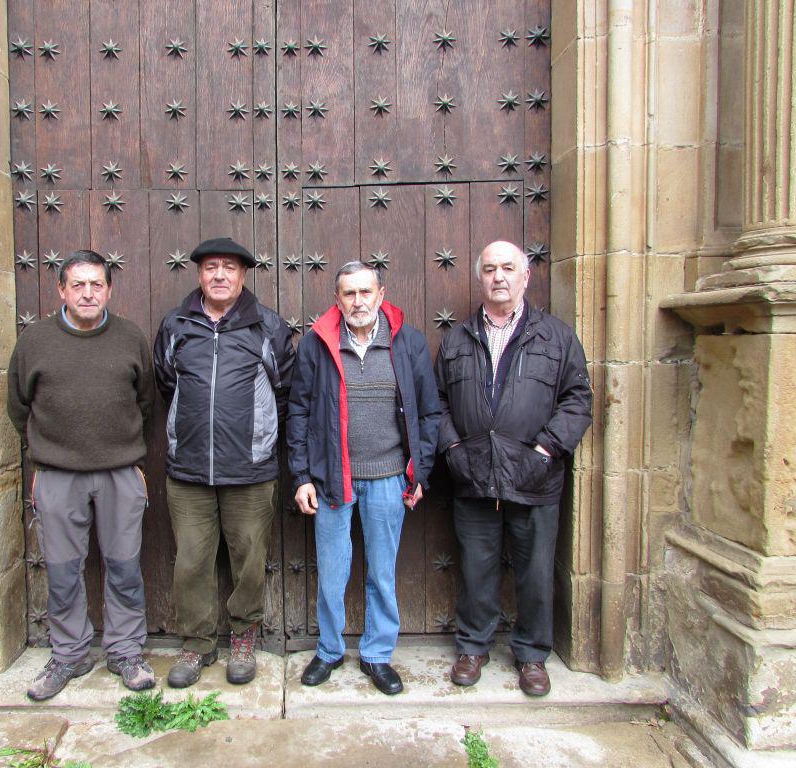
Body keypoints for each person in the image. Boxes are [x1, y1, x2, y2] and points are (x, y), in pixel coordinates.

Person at [434, 240, 592, 697]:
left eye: (508, 268)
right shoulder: (458, 339)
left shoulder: (556, 337)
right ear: (479, 278)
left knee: (536, 571)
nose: (498, 276)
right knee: (477, 568)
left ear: (526, 277)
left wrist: (547, 449)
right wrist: (454, 449)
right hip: (474, 476)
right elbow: (438, 403)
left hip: (535, 478)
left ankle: (531, 654)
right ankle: (473, 645)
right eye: (489, 269)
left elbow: (577, 399)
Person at [7, 249, 157, 700]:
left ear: (109, 289)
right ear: (61, 290)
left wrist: (121, 447)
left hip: (118, 472)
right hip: (57, 474)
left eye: (97, 285)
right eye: (78, 285)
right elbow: (18, 406)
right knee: (63, 570)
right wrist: (47, 453)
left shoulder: (130, 337)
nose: (88, 293)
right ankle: (69, 655)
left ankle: (126, 651)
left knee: (124, 566)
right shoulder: (34, 341)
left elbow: (145, 401)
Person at [288, 261, 441, 695]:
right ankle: (330, 650)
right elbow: (298, 412)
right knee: (333, 572)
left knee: (381, 570)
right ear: (337, 299)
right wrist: (301, 475)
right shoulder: (318, 345)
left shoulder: (407, 343)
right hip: (334, 478)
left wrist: (420, 471)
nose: (358, 301)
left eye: (365, 292)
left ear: (381, 294)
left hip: (390, 477)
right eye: (349, 294)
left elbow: (429, 413)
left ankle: (377, 655)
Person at [153, 237, 294, 688]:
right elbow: (166, 384)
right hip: (189, 471)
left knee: (249, 559)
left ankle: (243, 637)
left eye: (228, 268)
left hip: (250, 470)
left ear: (243, 276)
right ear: (198, 274)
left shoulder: (268, 327)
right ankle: (196, 644)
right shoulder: (176, 325)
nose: (219, 275)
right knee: (192, 560)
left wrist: (257, 436)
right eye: (210, 267)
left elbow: (285, 392)